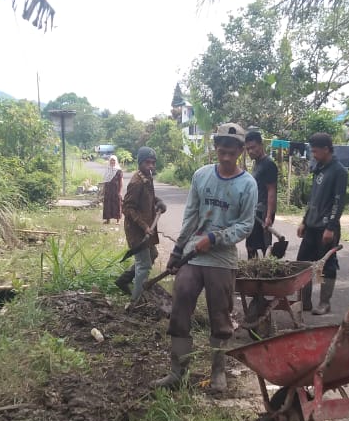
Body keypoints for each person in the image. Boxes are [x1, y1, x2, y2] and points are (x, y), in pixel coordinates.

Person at [153, 123, 257, 393]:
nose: (226, 155)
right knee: (179, 310)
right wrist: (178, 251)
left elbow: (246, 225)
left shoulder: (248, 184)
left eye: (232, 151)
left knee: (220, 318)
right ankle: (177, 371)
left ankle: (218, 372)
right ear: (215, 148)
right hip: (193, 256)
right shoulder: (201, 176)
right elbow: (190, 215)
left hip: (221, 260)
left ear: (240, 151)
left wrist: (215, 238)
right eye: (222, 149)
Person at [297, 132, 348, 315]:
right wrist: (304, 221)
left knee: (326, 265)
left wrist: (331, 227)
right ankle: (304, 301)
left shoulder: (339, 171)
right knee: (303, 263)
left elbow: (338, 202)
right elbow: (313, 198)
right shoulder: (318, 168)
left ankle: (324, 303)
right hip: (311, 225)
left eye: (315, 151)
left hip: (326, 228)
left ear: (326, 149)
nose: (313, 154)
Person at [116, 147, 166, 303]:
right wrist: (144, 226)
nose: (151, 166)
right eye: (147, 162)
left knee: (152, 255)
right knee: (144, 265)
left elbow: (149, 197)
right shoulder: (136, 182)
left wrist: (159, 202)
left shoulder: (147, 177)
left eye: (153, 163)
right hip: (136, 230)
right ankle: (136, 301)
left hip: (146, 228)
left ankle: (123, 280)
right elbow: (127, 208)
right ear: (140, 163)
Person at [244, 130, 278, 259]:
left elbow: (271, 191)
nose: (250, 151)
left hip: (263, 212)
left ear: (261, 145)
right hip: (255, 211)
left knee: (264, 246)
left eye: (253, 147)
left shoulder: (269, 164)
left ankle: (266, 268)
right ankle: (253, 268)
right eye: (248, 149)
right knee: (251, 245)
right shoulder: (257, 163)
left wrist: (269, 216)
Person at [101, 155, 123, 224]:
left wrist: (120, 191)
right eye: (111, 160)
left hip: (116, 190)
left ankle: (118, 220)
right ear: (109, 161)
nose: (112, 161)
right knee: (107, 204)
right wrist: (103, 189)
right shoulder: (107, 169)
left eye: (114, 160)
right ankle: (108, 220)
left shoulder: (119, 170)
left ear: (116, 161)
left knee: (117, 204)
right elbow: (105, 181)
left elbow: (121, 181)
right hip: (108, 190)